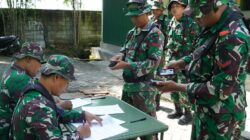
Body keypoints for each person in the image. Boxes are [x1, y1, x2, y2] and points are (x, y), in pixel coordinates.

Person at [156, 0, 250, 139]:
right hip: (206, 109)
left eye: (200, 14)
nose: (197, 19)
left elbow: (219, 88)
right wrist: (181, 63)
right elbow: (204, 49)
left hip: (221, 117)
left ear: (217, 8)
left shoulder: (232, 36)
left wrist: (177, 87)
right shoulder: (216, 24)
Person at [11, 54, 102, 139]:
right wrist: (79, 134)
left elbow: (57, 113)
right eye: (67, 82)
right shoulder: (38, 106)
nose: (67, 87)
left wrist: (82, 115)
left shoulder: (36, 90)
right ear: (56, 78)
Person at [110, 0, 164, 139]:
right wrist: (119, 55)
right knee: (128, 126)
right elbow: (125, 50)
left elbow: (153, 63)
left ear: (147, 12)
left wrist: (127, 65)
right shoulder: (131, 32)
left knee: (148, 130)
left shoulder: (155, 34)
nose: (134, 19)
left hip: (144, 90)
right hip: (128, 87)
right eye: (132, 16)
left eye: (137, 16)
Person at [0, 42, 45, 140]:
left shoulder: (13, 68)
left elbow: (35, 84)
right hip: (6, 133)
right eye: (39, 62)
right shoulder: (21, 78)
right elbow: (39, 109)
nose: (40, 67)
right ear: (29, 59)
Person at [164, 0, 200, 125]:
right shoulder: (171, 22)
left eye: (177, 6)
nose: (174, 9)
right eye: (172, 7)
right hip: (170, 60)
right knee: (171, 84)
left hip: (183, 62)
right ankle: (177, 110)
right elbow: (168, 42)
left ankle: (188, 113)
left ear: (183, 8)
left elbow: (197, 44)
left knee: (183, 86)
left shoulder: (190, 23)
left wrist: (190, 61)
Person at [151, 0, 171, 111]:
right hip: (151, 53)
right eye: (153, 9)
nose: (155, 11)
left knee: (159, 75)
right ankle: (152, 99)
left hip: (162, 54)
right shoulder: (150, 19)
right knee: (150, 75)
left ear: (162, 10)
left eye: (157, 9)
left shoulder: (167, 21)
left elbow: (169, 37)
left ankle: (157, 101)